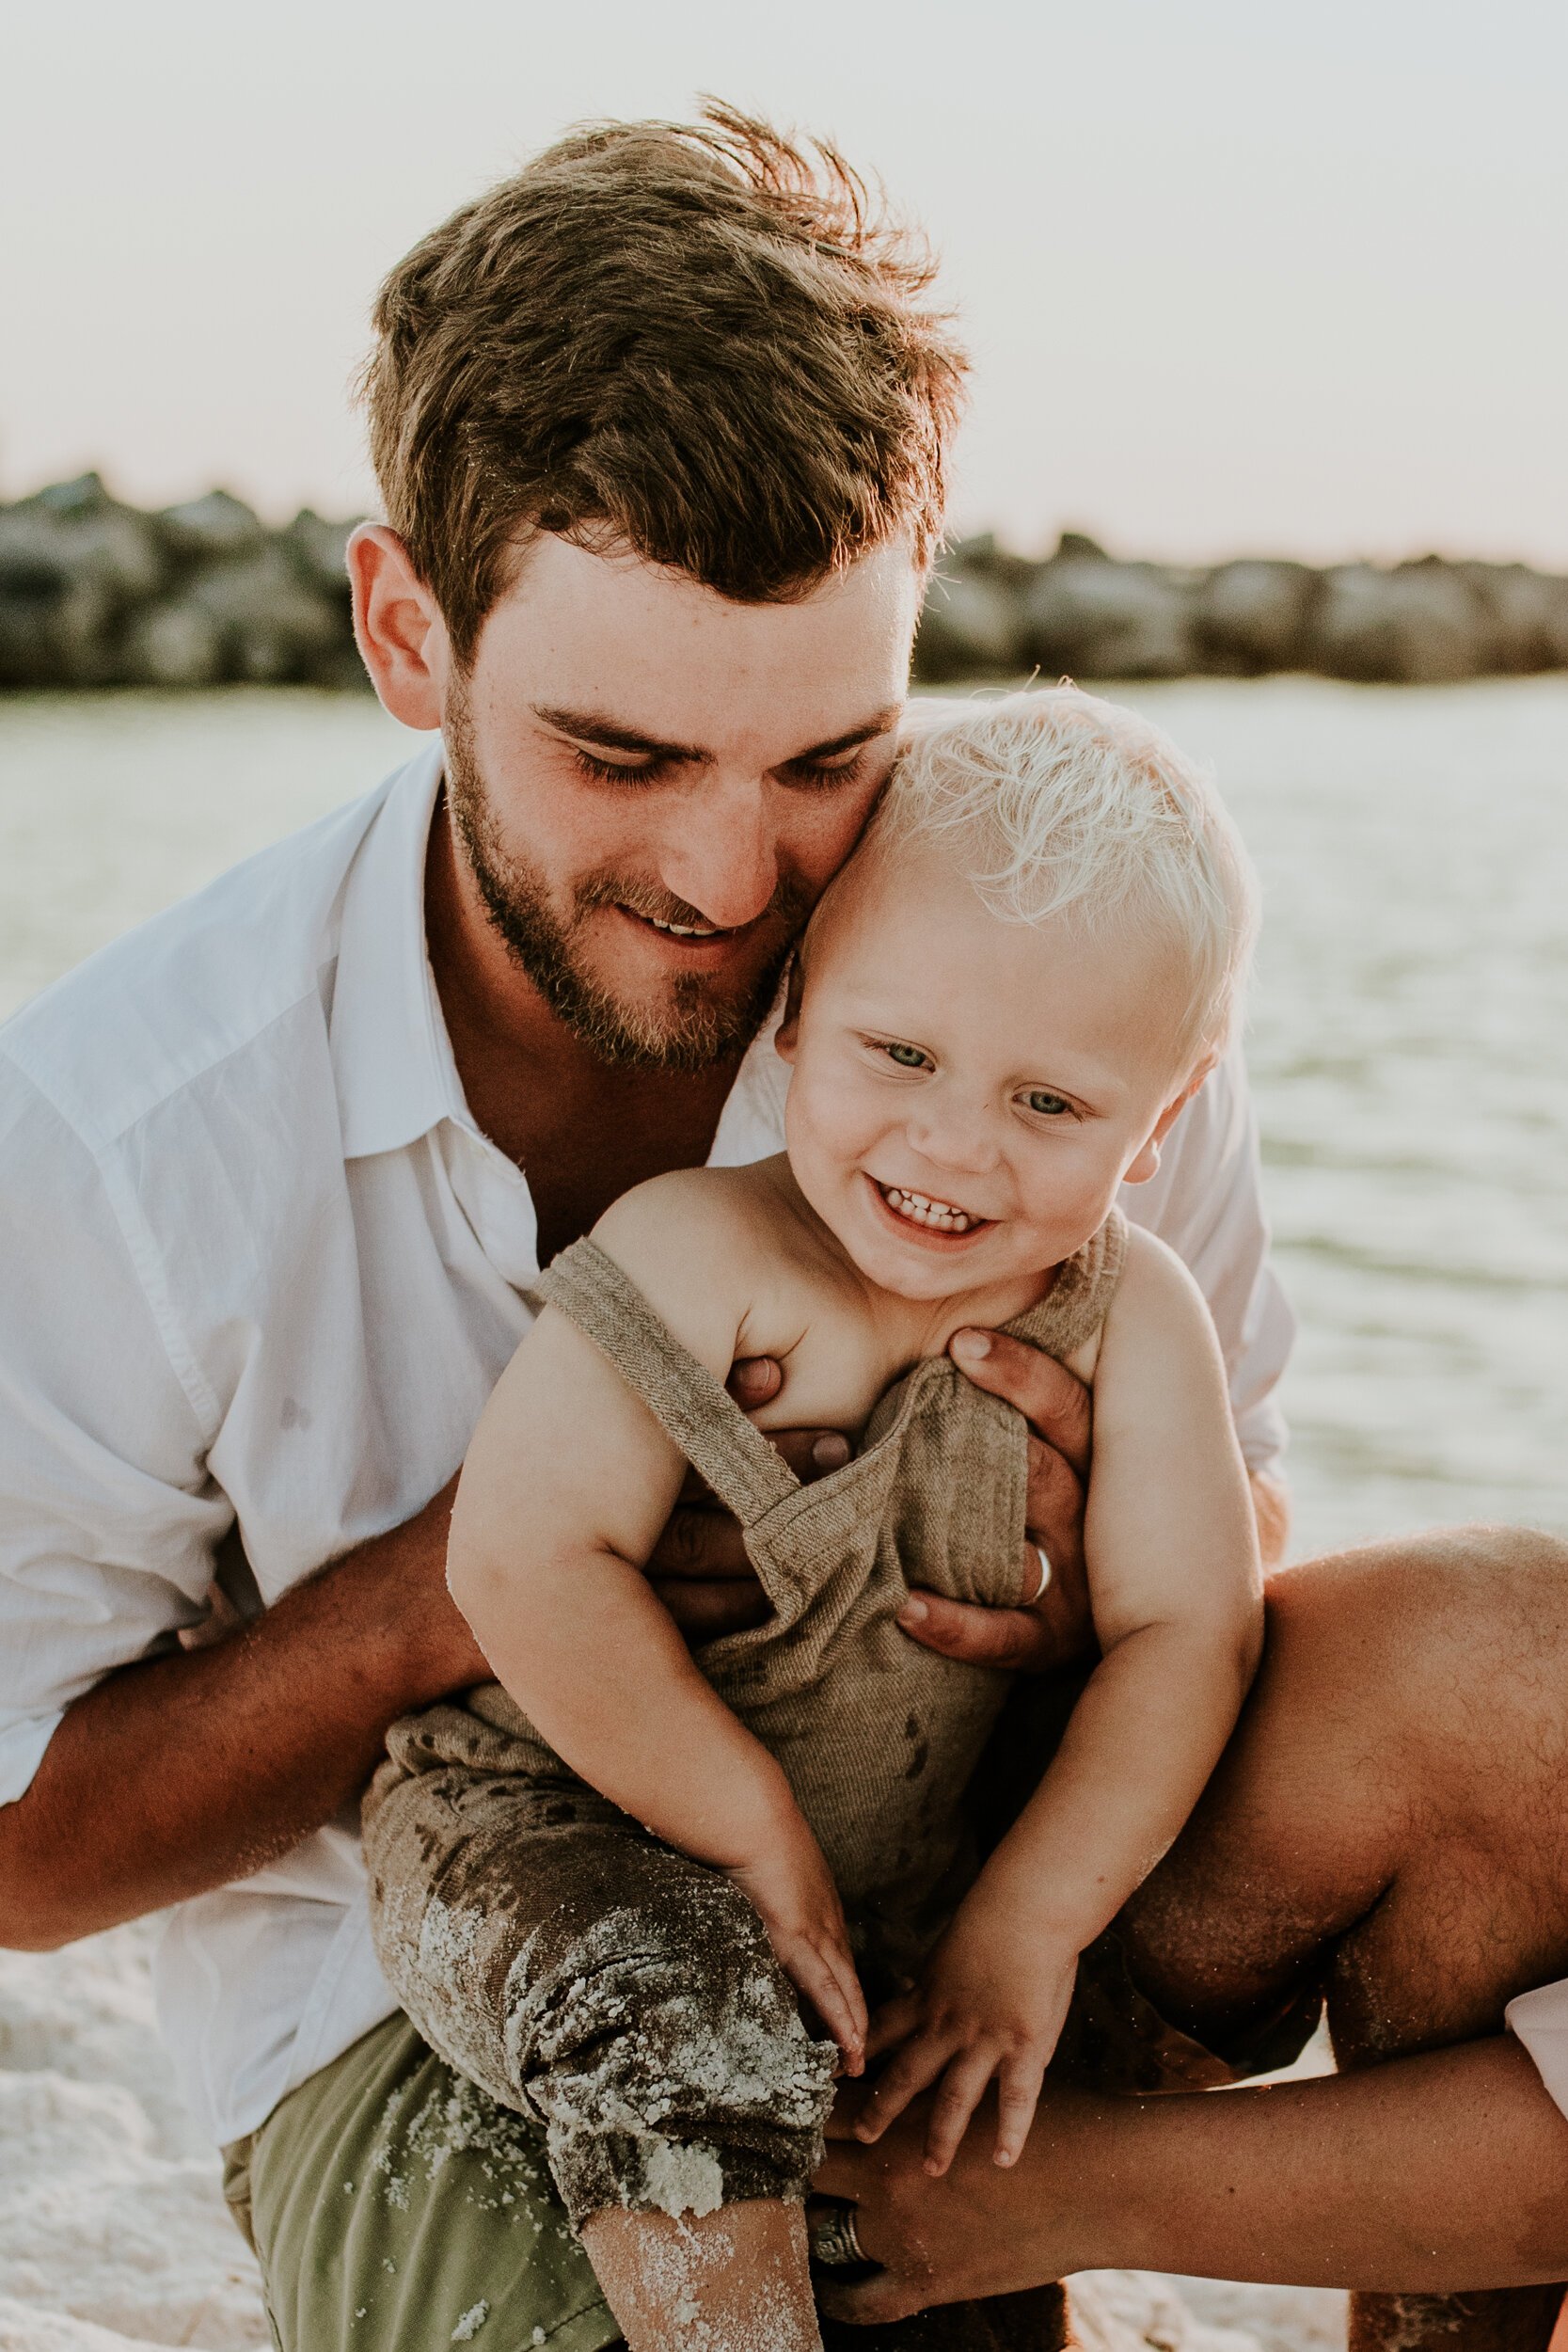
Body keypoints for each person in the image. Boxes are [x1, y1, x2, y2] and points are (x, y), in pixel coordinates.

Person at [0, 98, 1555, 2352]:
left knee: (1530, 1688)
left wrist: (1050, 1579)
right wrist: (496, 1582)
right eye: (622, 757)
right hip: (438, 2015)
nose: (738, 879)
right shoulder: (117, 1132)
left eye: (827, 757)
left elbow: (1241, 1550)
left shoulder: (1028, 975)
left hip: (1004, 1882)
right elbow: (25, 1850)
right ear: (405, 628)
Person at [364, 690, 1264, 2352]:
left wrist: (1031, 1921)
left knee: (938, 2154)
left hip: (905, 1876)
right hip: (544, 1832)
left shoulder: (1137, 1321)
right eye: (898, 1053)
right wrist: (745, 1825)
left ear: (1169, 1113)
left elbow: (1188, 1627)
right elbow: (519, 1558)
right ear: (792, 1014)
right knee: (687, 2011)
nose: (949, 1144)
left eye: (1049, 1104)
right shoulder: (699, 1253)